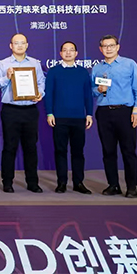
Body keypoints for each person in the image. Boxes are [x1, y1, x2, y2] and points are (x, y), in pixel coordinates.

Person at [0, 33, 45, 193]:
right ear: (11, 46)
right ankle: (7, 182)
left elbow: (41, 82)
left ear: (27, 45)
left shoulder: (35, 63)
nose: (20, 45)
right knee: (9, 147)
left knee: (31, 148)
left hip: (30, 110)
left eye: (23, 43)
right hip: (11, 110)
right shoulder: (3, 64)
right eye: (16, 43)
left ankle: (32, 182)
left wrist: (40, 93)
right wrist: (7, 77)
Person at [91, 34, 137, 198]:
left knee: (128, 150)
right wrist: (98, 90)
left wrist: (135, 110)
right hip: (104, 112)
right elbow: (92, 91)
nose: (108, 49)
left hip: (125, 111)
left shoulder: (129, 64)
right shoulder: (97, 68)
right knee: (108, 151)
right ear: (100, 49)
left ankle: (132, 187)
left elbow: (136, 89)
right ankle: (113, 185)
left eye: (111, 45)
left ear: (118, 47)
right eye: (105, 46)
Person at [45, 41, 93, 194]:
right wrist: (49, 113)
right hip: (59, 118)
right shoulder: (54, 71)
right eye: (65, 50)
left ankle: (78, 182)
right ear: (60, 53)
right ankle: (62, 183)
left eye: (71, 50)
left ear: (76, 53)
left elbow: (88, 95)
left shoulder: (83, 72)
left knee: (78, 152)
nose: (68, 53)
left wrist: (89, 113)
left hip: (79, 118)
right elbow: (48, 94)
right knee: (60, 151)